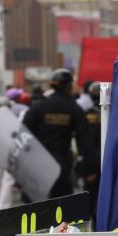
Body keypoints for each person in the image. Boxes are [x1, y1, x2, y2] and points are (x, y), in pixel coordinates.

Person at [22, 69, 88, 198]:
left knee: (37, 207)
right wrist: (89, 169)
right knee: (61, 206)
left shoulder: (38, 107)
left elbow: (23, 133)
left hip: (38, 163)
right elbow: (84, 140)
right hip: (61, 166)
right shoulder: (74, 108)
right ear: (69, 86)